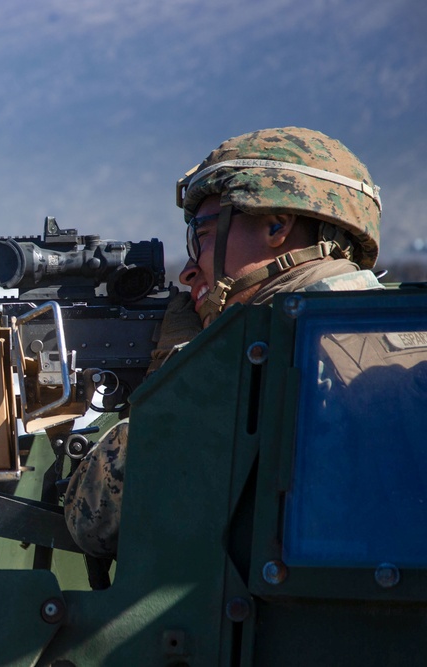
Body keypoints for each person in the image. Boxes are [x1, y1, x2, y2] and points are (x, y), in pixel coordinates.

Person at [63, 126, 385, 559]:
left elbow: (96, 521)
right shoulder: (394, 333)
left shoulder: (278, 354)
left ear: (277, 226)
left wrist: (179, 376)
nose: (189, 272)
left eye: (205, 235)